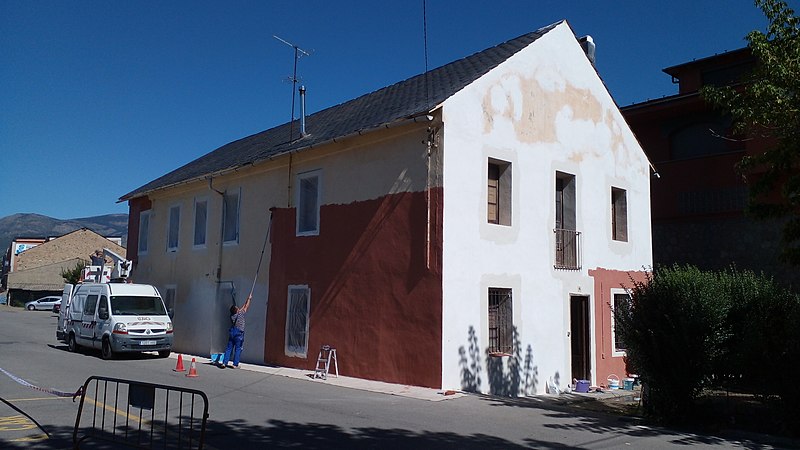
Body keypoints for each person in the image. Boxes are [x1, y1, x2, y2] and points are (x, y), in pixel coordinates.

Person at [220, 293, 251, 369]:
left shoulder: (232, 316)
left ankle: (224, 362)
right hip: (239, 333)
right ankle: (235, 364)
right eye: (237, 308)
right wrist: (249, 299)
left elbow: (243, 307)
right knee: (238, 349)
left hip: (232, 332)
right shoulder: (240, 314)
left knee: (229, 348)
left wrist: (247, 299)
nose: (238, 308)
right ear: (236, 310)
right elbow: (246, 307)